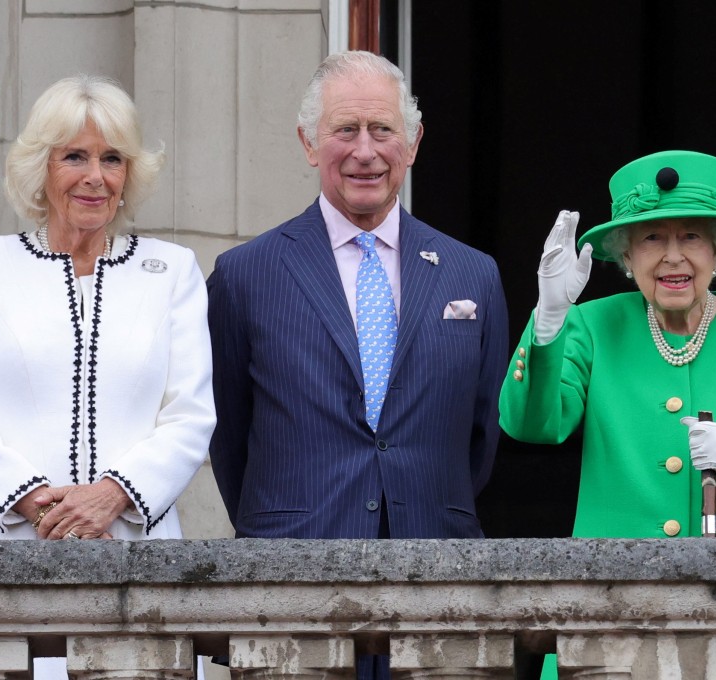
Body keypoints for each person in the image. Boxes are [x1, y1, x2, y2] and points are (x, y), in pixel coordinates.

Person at [207, 51, 508, 677]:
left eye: (382, 130)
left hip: (437, 578)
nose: (365, 151)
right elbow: (228, 434)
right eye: (345, 130)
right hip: (290, 580)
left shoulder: (472, 274)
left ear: (414, 142)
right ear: (309, 143)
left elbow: (482, 434)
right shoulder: (245, 275)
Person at [499, 150, 716, 679]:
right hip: (609, 622)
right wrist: (548, 318)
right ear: (626, 256)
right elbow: (532, 424)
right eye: (652, 239)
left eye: (691, 237)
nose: (673, 257)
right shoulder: (592, 325)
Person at [0, 74, 215, 543]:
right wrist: (48, 515)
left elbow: (191, 416)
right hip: (1, 547)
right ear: (43, 167)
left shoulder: (174, 272)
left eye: (112, 158)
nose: (95, 177)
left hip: (131, 546)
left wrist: (110, 497)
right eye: (75, 156)